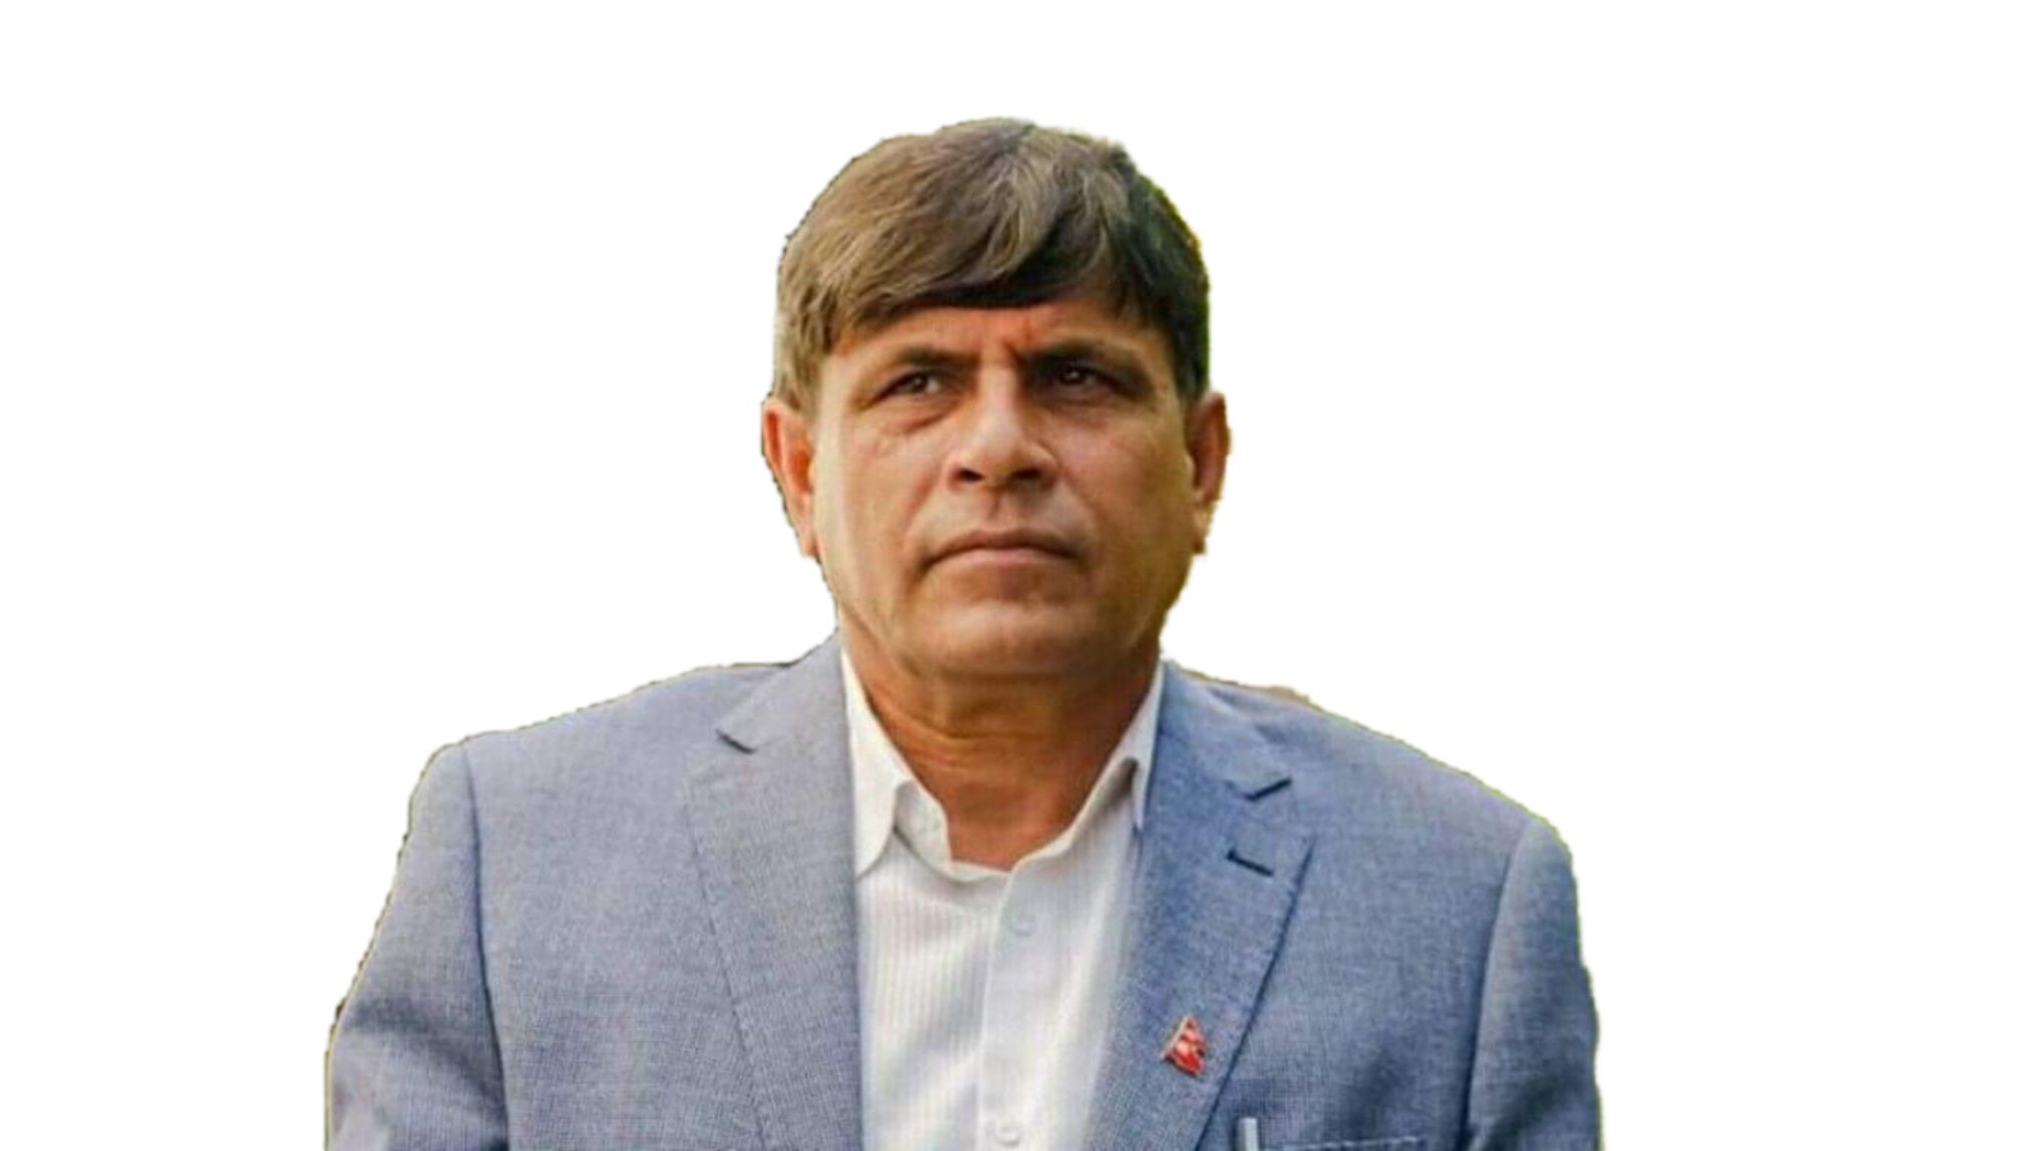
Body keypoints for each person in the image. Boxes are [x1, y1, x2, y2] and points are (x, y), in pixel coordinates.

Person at [327, 118, 1600, 1151]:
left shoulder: (1459, 901)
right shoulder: (517, 866)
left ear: (1200, 462)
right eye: (919, 381)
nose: (997, 447)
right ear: (797, 469)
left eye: (1075, 377)